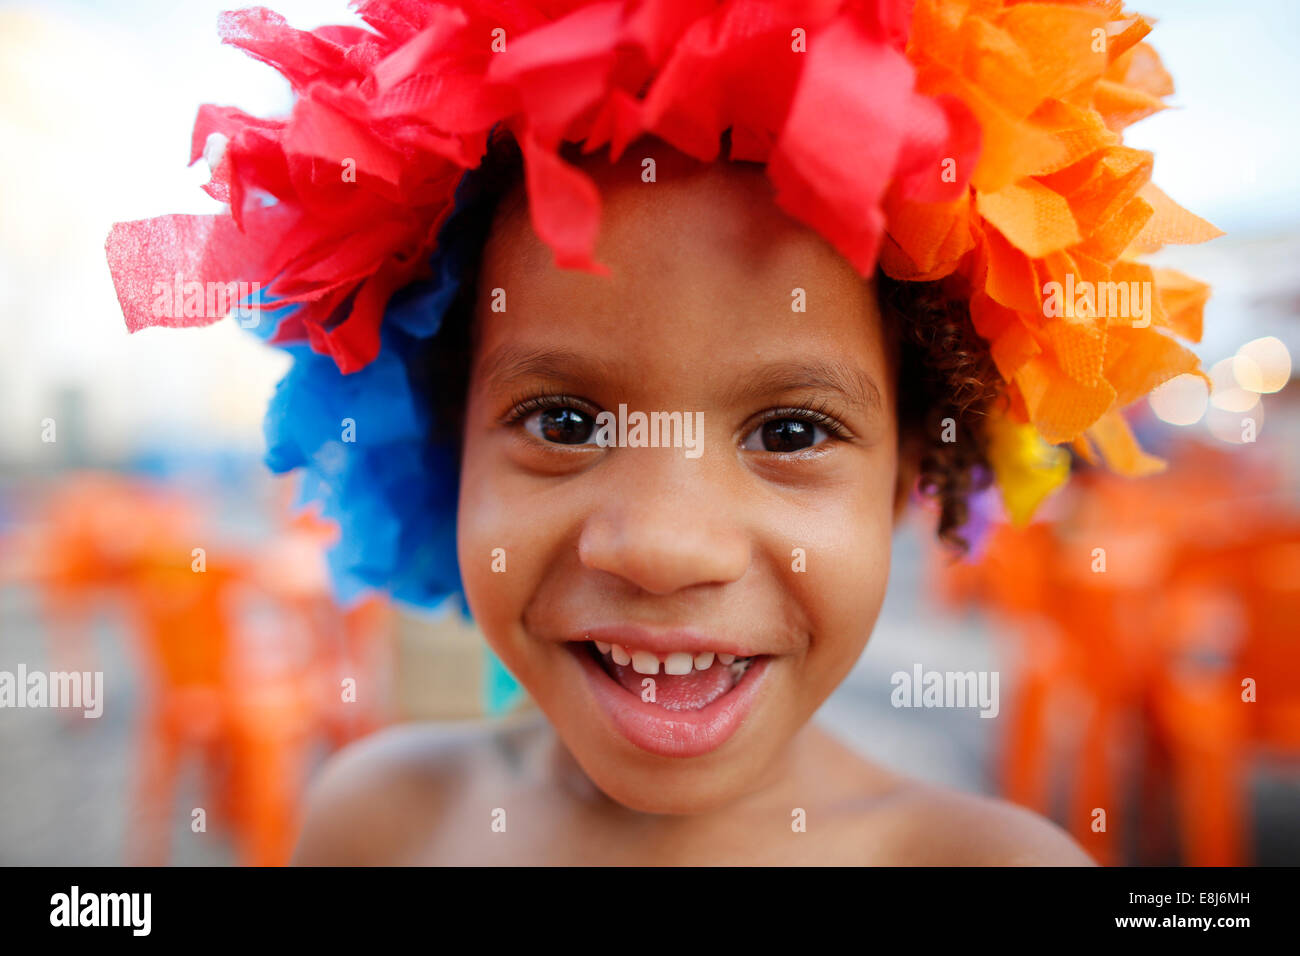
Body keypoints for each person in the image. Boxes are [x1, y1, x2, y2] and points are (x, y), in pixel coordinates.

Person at [105, 0, 1219, 865]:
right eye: (564, 419)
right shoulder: (378, 823)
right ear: (443, 448)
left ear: (911, 474)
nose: (663, 544)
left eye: (788, 429)